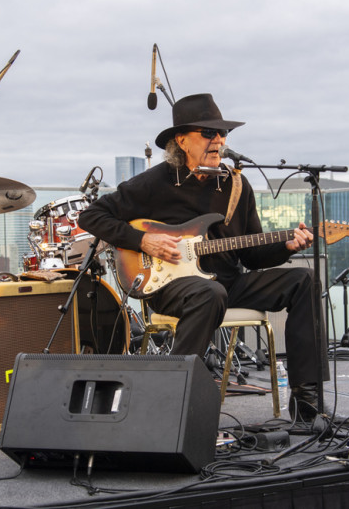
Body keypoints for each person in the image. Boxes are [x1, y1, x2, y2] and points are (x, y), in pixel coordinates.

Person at [79, 93, 328, 423]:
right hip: (172, 287)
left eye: (222, 133)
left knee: (304, 279)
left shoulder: (236, 186)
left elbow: (252, 257)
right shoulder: (155, 181)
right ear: (181, 140)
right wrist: (144, 240)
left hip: (228, 284)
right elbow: (91, 216)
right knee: (210, 293)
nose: (219, 140)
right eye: (209, 133)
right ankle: (175, 407)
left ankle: (307, 405)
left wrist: (287, 247)